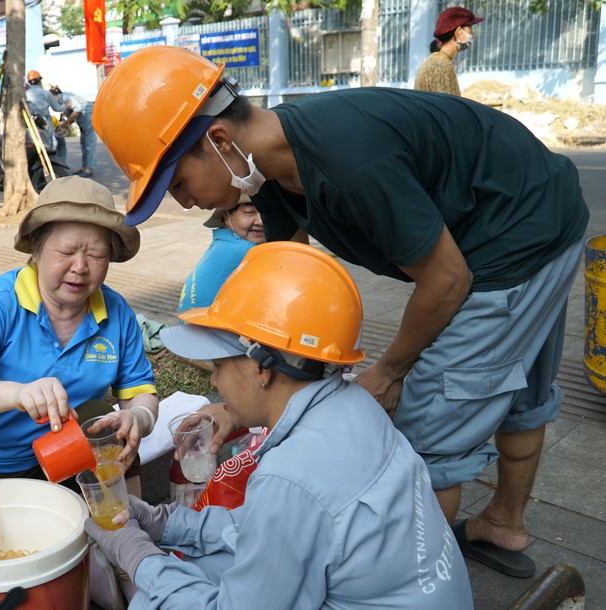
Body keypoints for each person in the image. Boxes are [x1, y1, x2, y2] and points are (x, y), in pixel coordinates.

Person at [93, 45, 590, 579]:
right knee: (514, 389)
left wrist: (390, 370)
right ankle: (504, 522)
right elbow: (279, 300)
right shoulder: (272, 175)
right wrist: (232, 405)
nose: (186, 204)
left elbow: (447, 280)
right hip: (542, 210)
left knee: (427, 425)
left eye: (179, 184)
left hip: (512, 241)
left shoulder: (348, 158)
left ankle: (415, 583)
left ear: (217, 141)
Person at [85, 242, 474, 608]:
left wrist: (137, 556)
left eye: (218, 366)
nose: (214, 382)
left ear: (261, 368)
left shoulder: (292, 476)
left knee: (151, 601)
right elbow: (268, 528)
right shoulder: (355, 405)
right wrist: (165, 522)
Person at [0, 176, 158, 519]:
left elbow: (140, 393)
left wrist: (139, 416)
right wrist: (18, 394)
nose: (80, 267)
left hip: (69, 455)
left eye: (96, 254)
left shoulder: (116, 312)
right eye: (67, 251)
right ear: (37, 249)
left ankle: (131, 537)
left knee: (102, 421)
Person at [179, 197, 264, 314]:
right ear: (226, 216)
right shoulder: (245, 250)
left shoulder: (224, 242)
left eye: (266, 212)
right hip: (209, 329)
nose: (261, 221)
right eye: (249, 212)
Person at [415, 7, 484, 95]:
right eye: (470, 27)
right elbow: (449, 105)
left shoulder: (439, 60)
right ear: (459, 32)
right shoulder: (440, 63)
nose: (472, 33)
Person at [51, 86, 97, 178]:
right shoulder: (62, 103)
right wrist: (64, 128)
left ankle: (88, 169)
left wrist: (65, 124)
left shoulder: (65, 97)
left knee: (89, 144)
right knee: (83, 144)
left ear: (54, 96)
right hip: (82, 119)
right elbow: (70, 118)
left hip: (88, 116)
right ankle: (84, 168)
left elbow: (77, 110)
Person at [25, 70, 64, 154]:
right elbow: (57, 108)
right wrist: (66, 106)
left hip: (31, 124)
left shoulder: (25, 94)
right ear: (40, 81)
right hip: (45, 124)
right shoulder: (45, 93)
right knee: (57, 145)